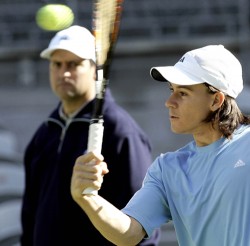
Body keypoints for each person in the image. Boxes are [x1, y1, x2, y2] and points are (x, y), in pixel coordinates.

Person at [70, 44, 250, 246]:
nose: (169, 101)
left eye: (183, 93)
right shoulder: (167, 168)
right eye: (172, 90)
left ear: (216, 100)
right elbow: (128, 233)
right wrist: (88, 198)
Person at [20, 25, 160, 246]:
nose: (63, 72)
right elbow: (30, 214)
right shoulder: (44, 134)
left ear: (95, 69)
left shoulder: (122, 131)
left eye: (74, 64)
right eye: (57, 64)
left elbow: (142, 226)